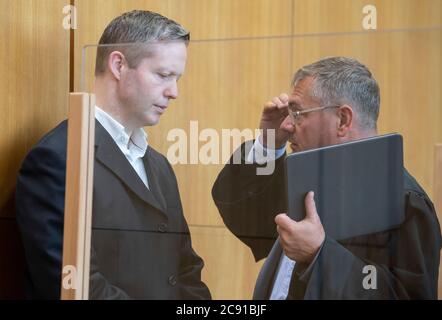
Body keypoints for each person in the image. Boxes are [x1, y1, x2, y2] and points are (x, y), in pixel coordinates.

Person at [15, 10, 211, 300]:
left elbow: (185, 270)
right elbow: (77, 286)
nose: (174, 92)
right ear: (118, 65)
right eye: (164, 75)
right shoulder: (58, 159)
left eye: (177, 78)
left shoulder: (159, 166)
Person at [212, 57, 441, 299]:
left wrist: (320, 254)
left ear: (342, 120)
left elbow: (407, 295)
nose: (288, 125)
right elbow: (246, 218)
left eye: (298, 113)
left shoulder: (403, 199)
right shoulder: (307, 172)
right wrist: (267, 144)